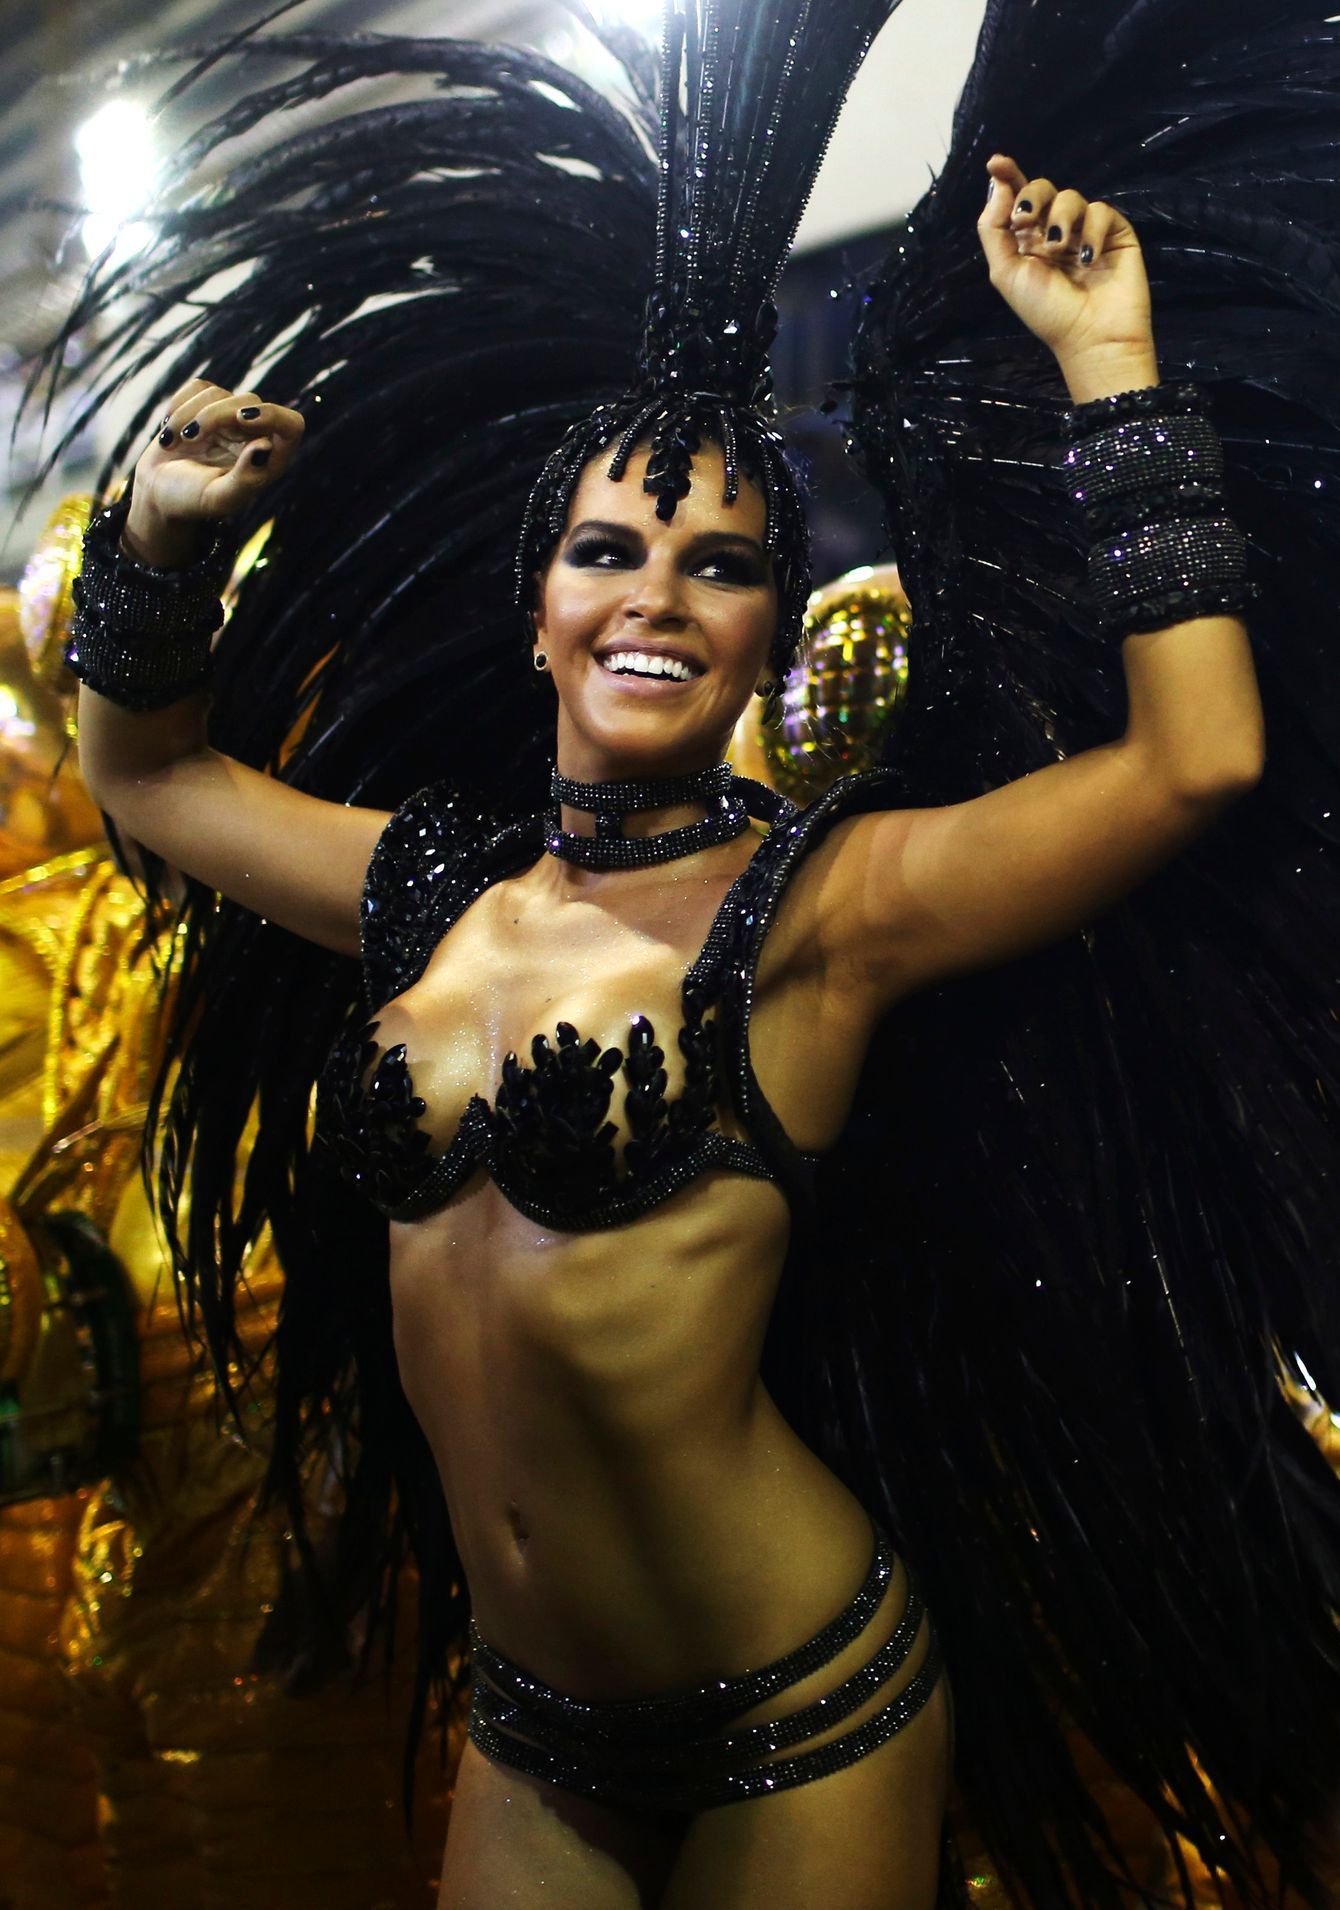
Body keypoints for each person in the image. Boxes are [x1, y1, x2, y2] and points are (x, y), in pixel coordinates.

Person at [36, 2, 1340, 1904]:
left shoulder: (817, 911)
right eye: (609, 550)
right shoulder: (428, 887)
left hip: (797, 1717)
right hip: (531, 1722)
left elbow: (1190, 761)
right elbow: (148, 775)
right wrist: (157, 540)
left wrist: (1110, 365)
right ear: (539, 607)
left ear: (766, 631)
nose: (656, 594)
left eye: (722, 564)